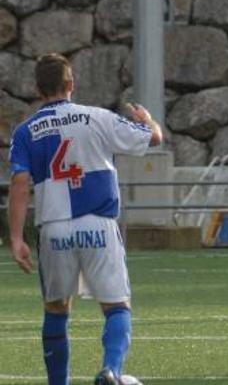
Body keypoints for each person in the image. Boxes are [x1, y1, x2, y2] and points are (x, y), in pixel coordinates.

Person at [8, 53, 163, 385]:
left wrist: (17, 238)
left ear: (37, 89)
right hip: (98, 224)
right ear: (71, 84)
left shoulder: (25, 132)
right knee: (117, 307)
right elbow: (153, 139)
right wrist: (148, 120)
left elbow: (20, 184)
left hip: (53, 230)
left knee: (56, 310)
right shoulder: (97, 118)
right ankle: (112, 370)